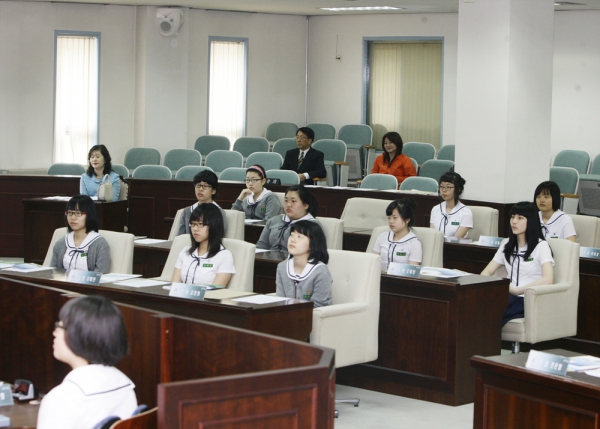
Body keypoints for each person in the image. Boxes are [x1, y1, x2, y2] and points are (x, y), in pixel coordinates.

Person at [37, 295, 137, 429]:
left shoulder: (61, 399)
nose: (55, 333)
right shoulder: (126, 387)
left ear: (80, 335)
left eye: (59, 326)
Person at [481, 202, 555, 326]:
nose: (514, 221)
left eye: (520, 218)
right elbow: (486, 272)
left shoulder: (541, 246)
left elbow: (548, 279)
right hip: (507, 295)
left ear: (531, 221)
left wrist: (517, 290)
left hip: (527, 299)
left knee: (488, 311)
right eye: (512, 217)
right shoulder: (507, 244)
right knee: (476, 306)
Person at [172, 203, 235, 287]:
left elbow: (215, 292)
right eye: (193, 224)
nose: (195, 229)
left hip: (207, 299)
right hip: (182, 298)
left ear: (214, 225)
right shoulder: (185, 251)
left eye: (200, 224)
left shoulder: (224, 256)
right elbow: (174, 286)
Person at [276, 220, 332, 308]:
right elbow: (280, 300)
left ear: (313, 244)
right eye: (292, 235)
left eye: (300, 236)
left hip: (313, 318)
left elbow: (318, 305)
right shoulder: (282, 267)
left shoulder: (321, 272)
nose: (293, 240)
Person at [50, 195, 111, 273]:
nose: (73, 217)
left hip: (87, 285)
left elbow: (101, 274)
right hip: (63, 284)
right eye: (70, 213)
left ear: (89, 214)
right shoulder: (61, 243)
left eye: (78, 213)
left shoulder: (100, 244)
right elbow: (52, 272)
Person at [256, 185, 321, 251]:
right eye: (286, 200)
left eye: (293, 201)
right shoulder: (273, 221)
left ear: (305, 205)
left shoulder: (313, 226)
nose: (288, 205)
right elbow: (261, 246)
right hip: (266, 259)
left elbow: (312, 252)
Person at [373, 198, 422, 270]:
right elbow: (372, 262)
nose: (391, 221)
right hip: (378, 278)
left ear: (407, 219)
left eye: (395, 218)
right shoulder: (382, 237)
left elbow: (411, 272)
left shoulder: (414, 243)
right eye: (389, 218)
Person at [177, 170, 227, 236]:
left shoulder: (219, 212)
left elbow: (219, 236)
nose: (200, 189)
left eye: (205, 186)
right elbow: (180, 237)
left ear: (213, 191)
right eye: (198, 185)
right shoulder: (187, 211)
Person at [429, 171, 473, 238]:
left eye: (448, 187)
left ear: (458, 189)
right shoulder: (436, 209)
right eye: (442, 187)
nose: (444, 190)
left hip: (454, 247)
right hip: (436, 246)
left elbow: (457, 239)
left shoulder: (465, 212)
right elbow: (431, 234)